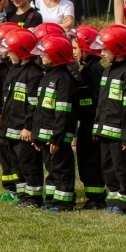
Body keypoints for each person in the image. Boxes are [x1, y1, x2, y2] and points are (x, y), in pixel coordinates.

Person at [91, 24, 126, 214]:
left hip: (120, 133)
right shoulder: (107, 71)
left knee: (122, 167)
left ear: (118, 48)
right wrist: (97, 126)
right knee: (108, 166)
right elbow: (102, 104)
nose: (102, 53)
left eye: (105, 49)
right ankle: (114, 196)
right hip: (105, 130)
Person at [0, 28, 43, 208]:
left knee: (29, 164)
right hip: (10, 127)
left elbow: (33, 105)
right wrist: (1, 120)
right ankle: (23, 195)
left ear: (22, 51)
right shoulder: (14, 71)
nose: (8, 54)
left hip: (23, 130)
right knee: (17, 164)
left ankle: (34, 198)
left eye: (11, 50)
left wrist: (28, 127)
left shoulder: (34, 73)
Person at [30, 35, 80, 211]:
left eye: (45, 53)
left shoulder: (64, 80)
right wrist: (36, 136)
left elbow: (63, 113)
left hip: (56, 136)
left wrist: (57, 138)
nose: (42, 56)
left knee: (61, 169)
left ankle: (64, 202)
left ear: (56, 54)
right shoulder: (47, 77)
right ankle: (52, 200)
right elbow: (39, 111)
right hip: (45, 135)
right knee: (51, 169)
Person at [72, 24, 106, 209]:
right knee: (86, 158)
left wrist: (96, 125)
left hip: (92, 123)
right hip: (86, 122)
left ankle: (96, 199)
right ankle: (93, 196)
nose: (74, 52)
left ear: (86, 48)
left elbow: (99, 102)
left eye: (76, 48)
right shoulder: (87, 70)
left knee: (91, 160)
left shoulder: (94, 71)